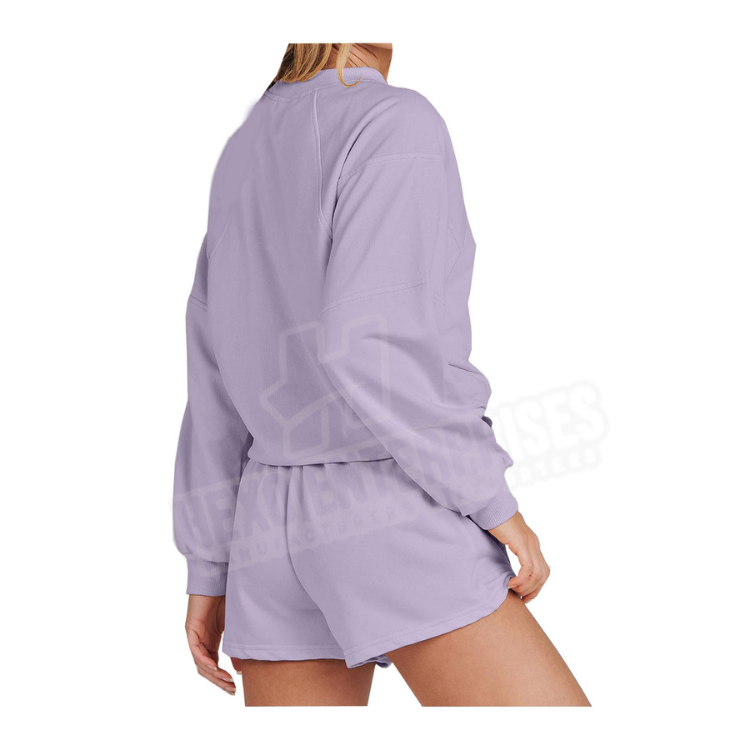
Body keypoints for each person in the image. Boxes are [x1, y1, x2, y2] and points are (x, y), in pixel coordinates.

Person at [173, 43, 589, 706]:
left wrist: (211, 564)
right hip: (385, 501)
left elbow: (212, 367)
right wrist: (490, 499)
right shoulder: (393, 122)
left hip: (264, 529)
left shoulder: (247, 141)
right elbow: (370, 346)